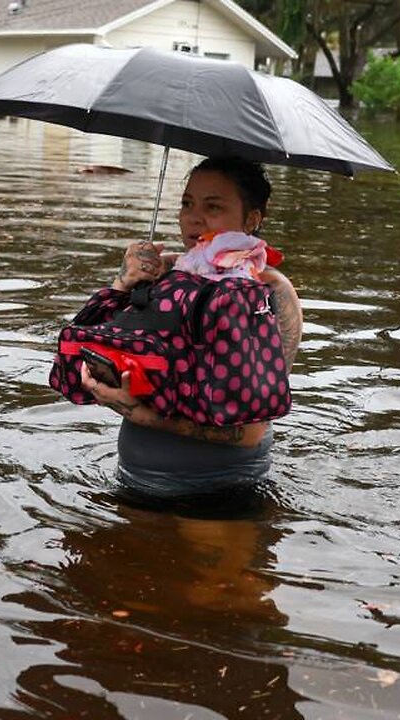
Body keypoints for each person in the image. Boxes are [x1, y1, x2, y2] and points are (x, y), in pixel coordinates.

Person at [77, 156, 303, 499]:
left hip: (220, 492)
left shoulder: (267, 291)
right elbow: (88, 343)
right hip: (133, 481)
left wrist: (141, 414)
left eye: (213, 207)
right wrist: (125, 283)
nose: (193, 218)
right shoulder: (167, 275)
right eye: (187, 203)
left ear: (252, 218)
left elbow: (250, 430)